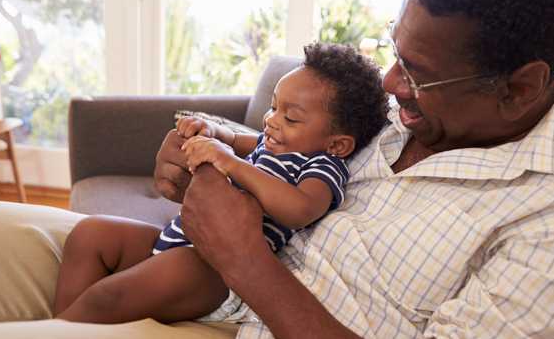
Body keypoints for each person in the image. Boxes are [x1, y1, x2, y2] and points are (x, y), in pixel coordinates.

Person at [0, 0, 554, 338]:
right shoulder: (416, 115)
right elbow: (289, 137)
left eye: (418, 72)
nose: (390, 84)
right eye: (394, 51)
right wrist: (194, 152)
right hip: (216, 275)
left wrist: (240, 259)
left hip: (230, 302)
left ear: (519, 87)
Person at [52, 43, 388, 324]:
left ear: (337, 144)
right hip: (176, 240)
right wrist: (209, 131)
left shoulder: (322, 165)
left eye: (291, 117)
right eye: (273, 107)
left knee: (108, 298)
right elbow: (233, 138)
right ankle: (58, 325)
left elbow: (300, 209)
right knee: (90, 235)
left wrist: (231, 164)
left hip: (213, 270)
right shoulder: (270, 142)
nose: (270, 121)